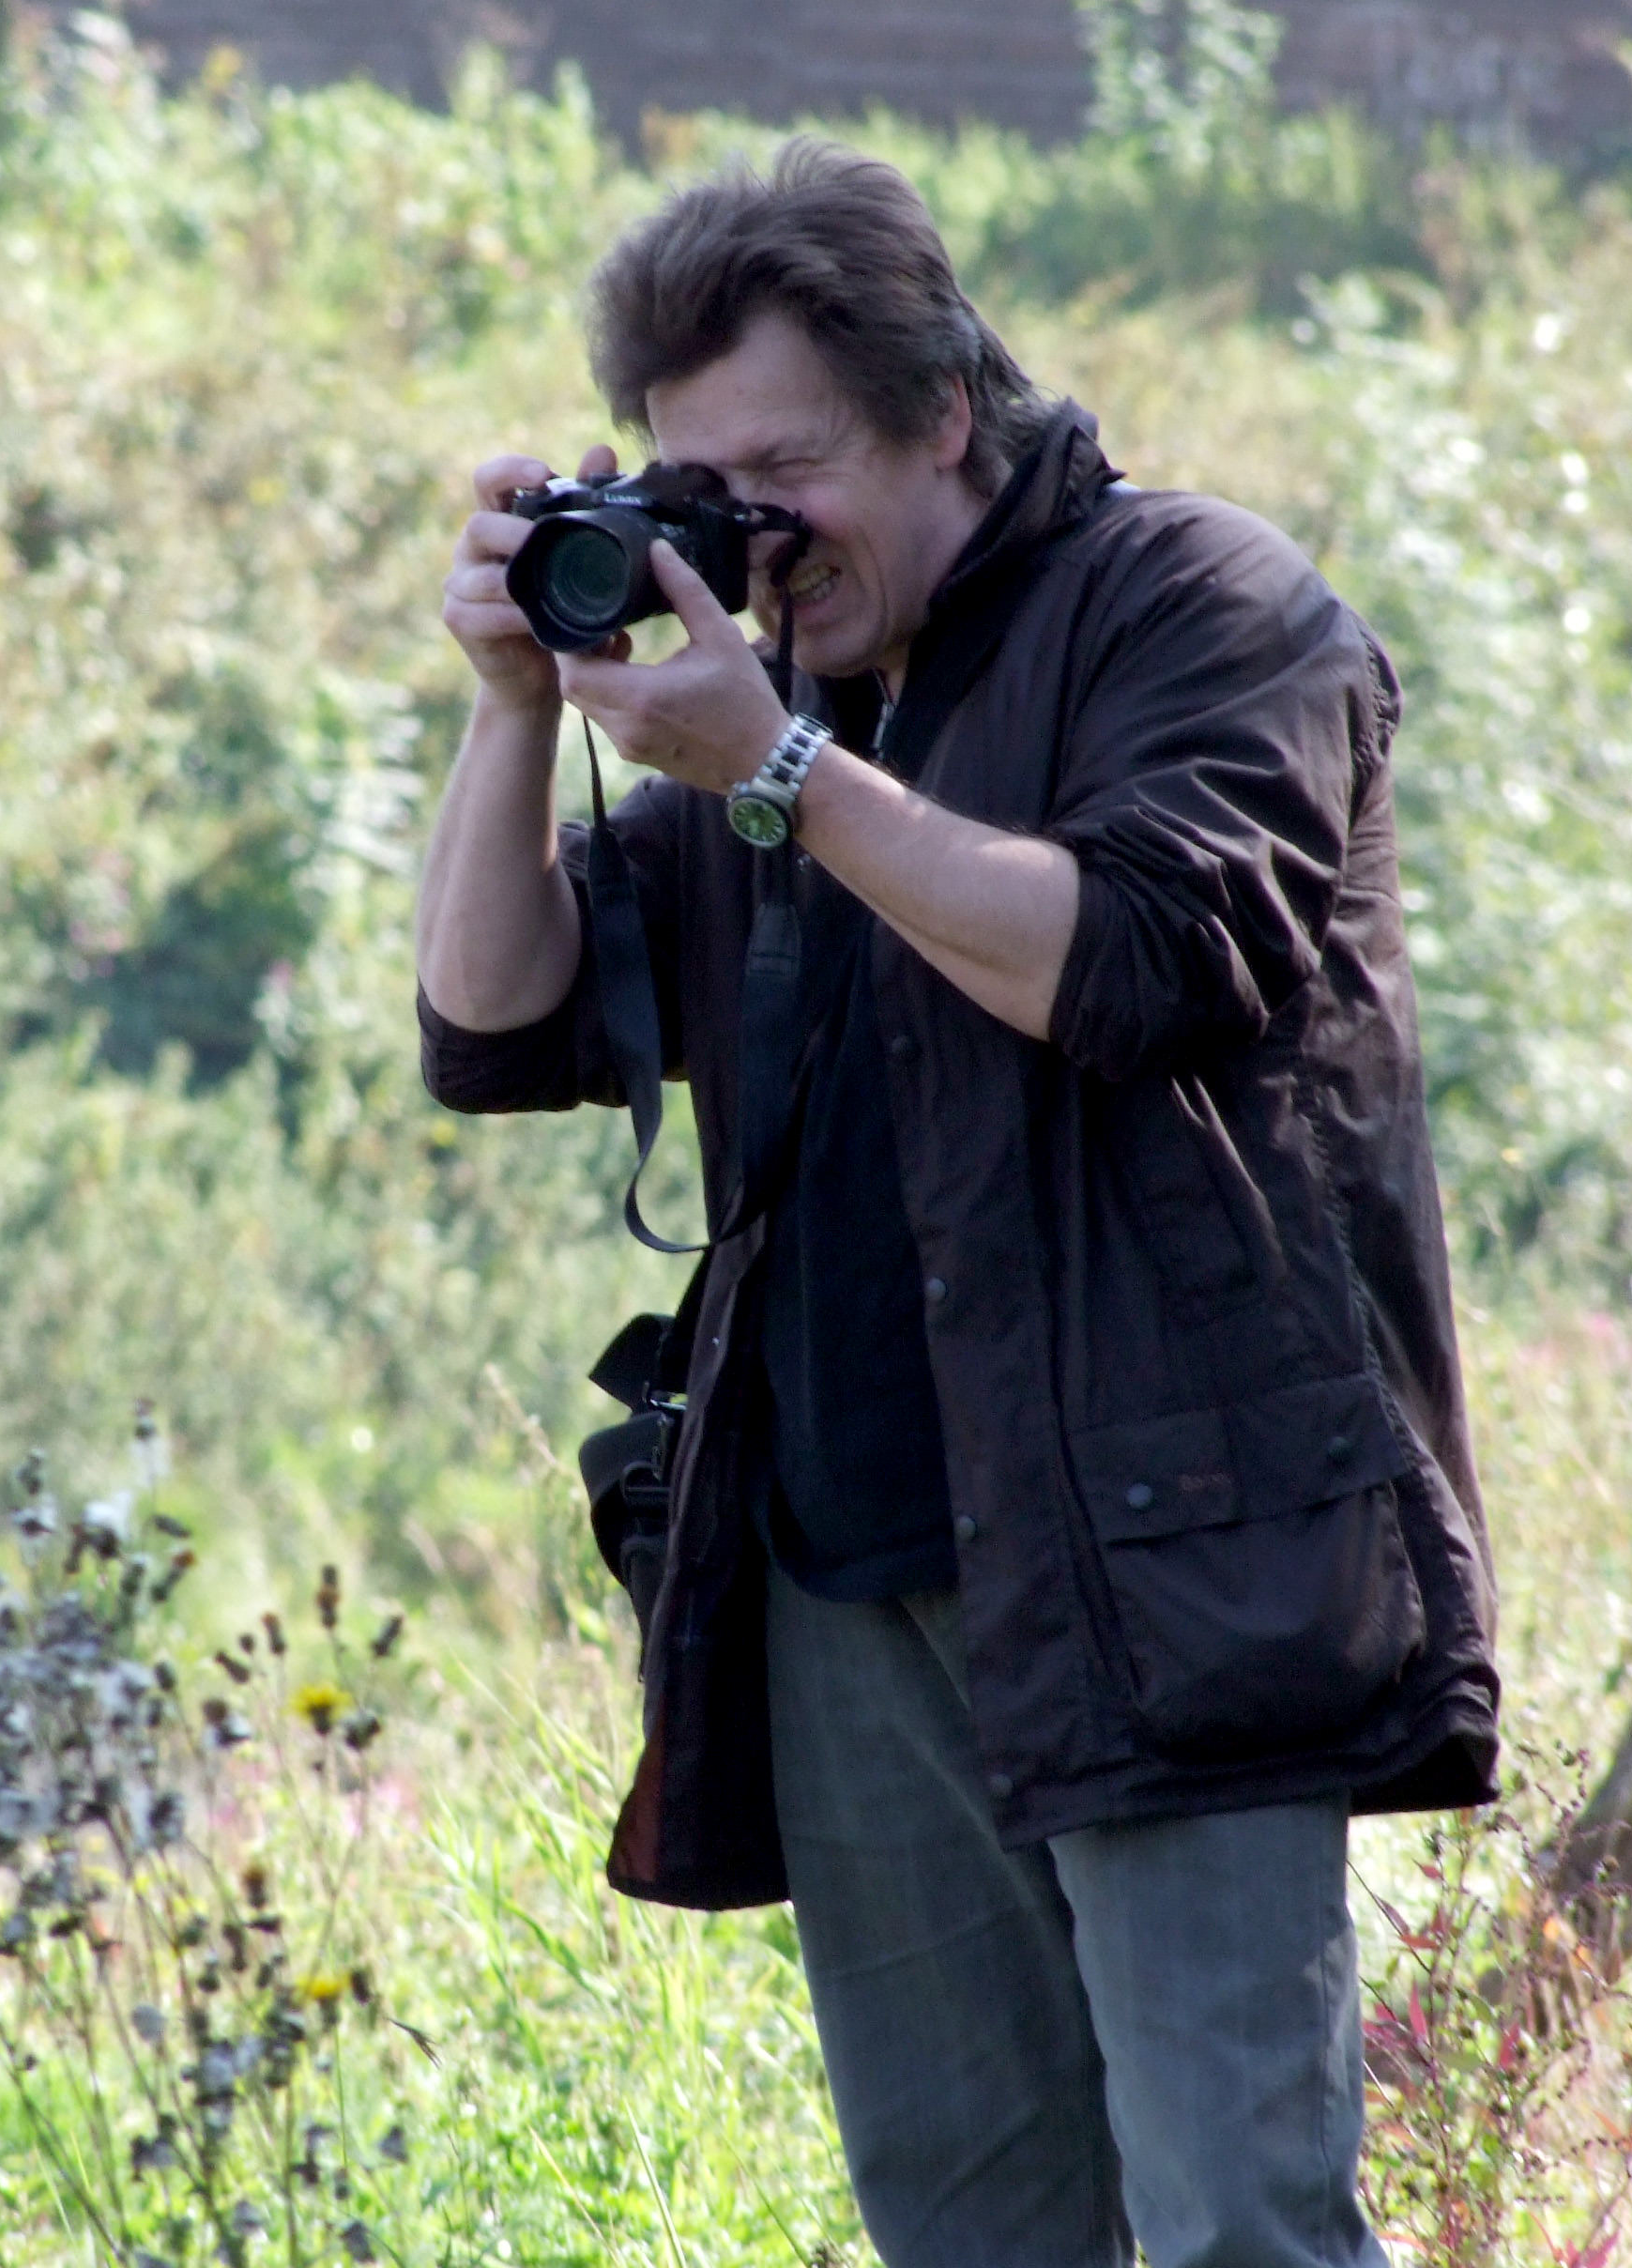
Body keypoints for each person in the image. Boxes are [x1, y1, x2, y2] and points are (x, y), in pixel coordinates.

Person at [415, 140, 1499, 2268]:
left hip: (1170, 1569)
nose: (752, 533)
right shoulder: (780, 699)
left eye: (788, 469)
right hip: (848, 1581)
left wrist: (787, 776)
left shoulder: (1204, 606)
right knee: (975, 2237)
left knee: (1243, 2228)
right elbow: (494, 1019)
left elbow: (1143, 963)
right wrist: (516, 704)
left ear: (939, 409)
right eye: (702, 482)